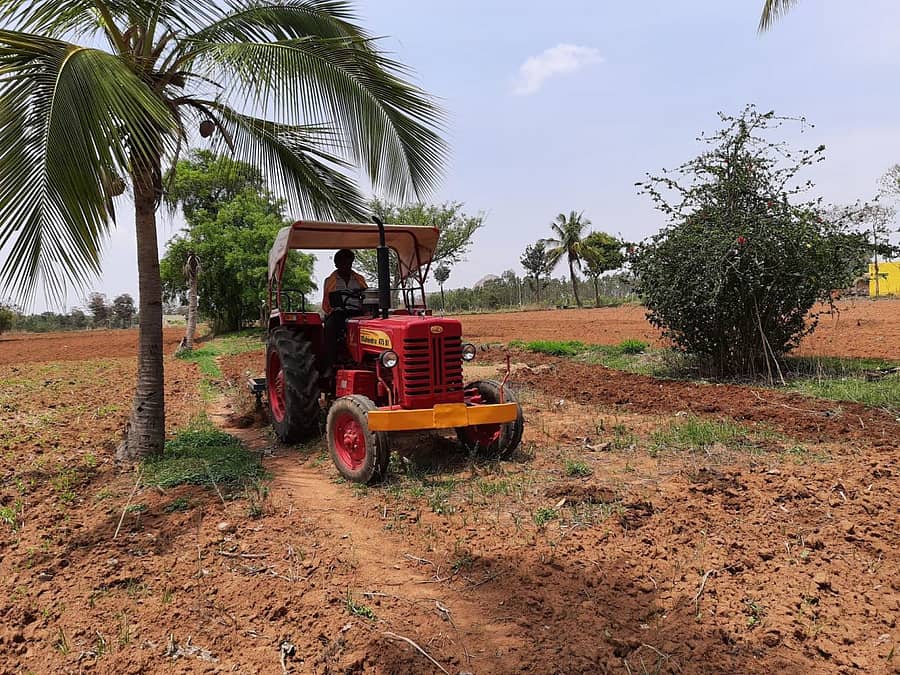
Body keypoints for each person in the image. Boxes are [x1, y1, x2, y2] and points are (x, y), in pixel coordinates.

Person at [321, 249, 368, 376]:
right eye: (343, 263)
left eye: (349, 263)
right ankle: (330, 364)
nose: (347, 266)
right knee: (330, 327)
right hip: (339, 313)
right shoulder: (330, 281)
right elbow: (327, 301)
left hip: (358, 313)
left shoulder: (359, 279)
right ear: (336, 264)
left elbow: (367, 296)